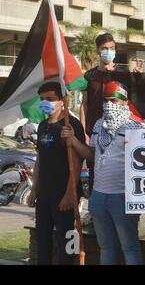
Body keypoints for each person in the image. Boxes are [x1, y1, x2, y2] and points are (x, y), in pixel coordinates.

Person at [62, 81, 145, 265]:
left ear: (125, 102)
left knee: (129, 247)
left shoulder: (136, 126)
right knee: (106, 248)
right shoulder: (100, 124)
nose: (110, 104)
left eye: (115, 101)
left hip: (123, 196)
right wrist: (74, 141)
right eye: (106, 100)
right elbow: (92, 154)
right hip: (98, 196)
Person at [28, 81, 85, 265]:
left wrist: (69, 194)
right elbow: (39, 160)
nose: (45, 102)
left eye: (50, 99)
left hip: (64, 196)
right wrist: (34, 189)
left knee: (66, 242)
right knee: (42, 240)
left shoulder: (71, 125)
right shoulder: (43, 125)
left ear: (62, 100)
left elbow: (76, 162)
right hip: (44, 194)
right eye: (42, 99)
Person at [80, 33, 143, 194]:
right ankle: (96, 212)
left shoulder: (124, 73)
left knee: (122, 171)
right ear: (97, 51)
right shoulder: (90, 76)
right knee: (96, 170)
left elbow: (135, 99)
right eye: (104, 49)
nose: (108, 51)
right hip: (95, 132)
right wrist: (84, 132)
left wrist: (137, 78)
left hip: (121, 133)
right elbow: (84, 104)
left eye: (112, 48)